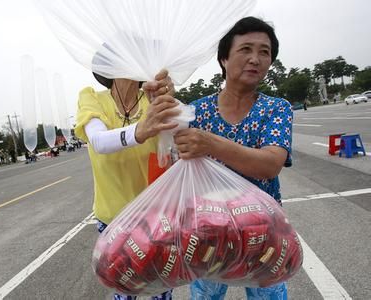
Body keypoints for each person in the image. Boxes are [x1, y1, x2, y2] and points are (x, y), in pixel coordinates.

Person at [171, 16, 293, 299]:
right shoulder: (195, 113)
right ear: (224, 59)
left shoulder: (276, 109)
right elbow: (170, 158)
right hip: (209, 236)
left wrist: (209, 142)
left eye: (265, 52)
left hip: (265, 235)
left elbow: (269, 165)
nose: (255, 59)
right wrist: (161, 102)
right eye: (246, 49)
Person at [74, 69, 178, 300]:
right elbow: (99, 141)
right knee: (124, 289)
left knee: (160, 289)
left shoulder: (153, 96)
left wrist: (170, 102)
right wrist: (141, 130)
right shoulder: (92, 98)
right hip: (113, 218)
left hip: (156, 218)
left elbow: (180, 136)